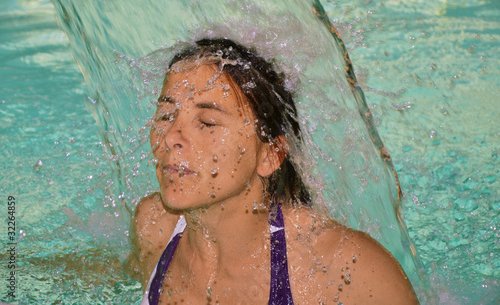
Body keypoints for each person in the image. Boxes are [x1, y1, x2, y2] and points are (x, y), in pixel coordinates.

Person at [127, 38, 419, 304]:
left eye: (206, 122)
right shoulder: (155, 226)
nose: (169, 137)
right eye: (166, 115)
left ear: (270, 155)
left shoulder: (343, 268)